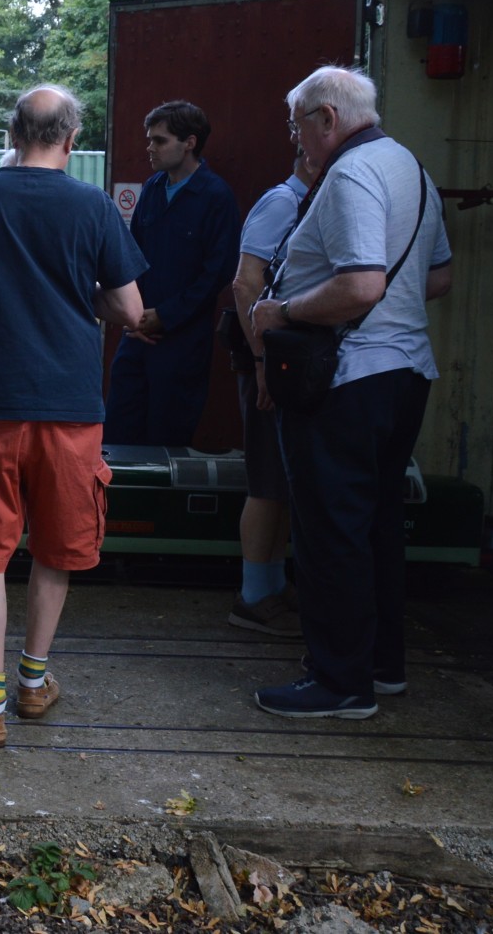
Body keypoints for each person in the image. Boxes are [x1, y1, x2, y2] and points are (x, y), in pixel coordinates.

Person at [0, 86, 147, 748]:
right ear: (71, 140)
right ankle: (33, 684)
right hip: (72, 408)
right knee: (58, 545)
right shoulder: (94, 206)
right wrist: (85, 297)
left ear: (14, 132)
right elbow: (131, 312)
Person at [249, 66, 451, 720]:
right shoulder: (409, 168)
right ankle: (381, 666)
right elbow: (439, 276)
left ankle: (339, 682)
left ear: (328, 119)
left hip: (348, 378)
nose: (295, 139)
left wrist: (285, 312)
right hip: (403, 372)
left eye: (298, 125)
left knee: (331, 532)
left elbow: (362, 284)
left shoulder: (350, 174)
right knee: (375, 528)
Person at [103, 100, 238, 447]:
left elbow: (217, 273)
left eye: (160, 140)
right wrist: (133, 316)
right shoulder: (152, 188)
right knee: (117, 436)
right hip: (137, 337)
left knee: (166, 443)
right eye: (150, 139)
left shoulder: (215, 197)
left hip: (181, 343)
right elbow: (134, 257)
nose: (150, 148)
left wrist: (166, 316)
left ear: (189, 143)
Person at [225, 150, 317, 637]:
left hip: (281, 361)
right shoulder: (283, 203)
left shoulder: (308, 201)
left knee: (281, 480)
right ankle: (254, 595)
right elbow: (245, 284)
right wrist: (262, 362)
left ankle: (273, 585)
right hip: (269, 361)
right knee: (267, 479)